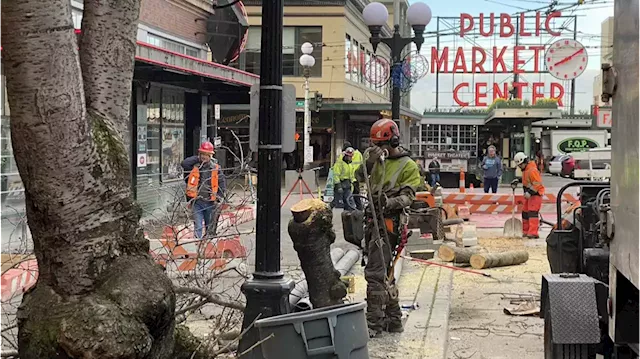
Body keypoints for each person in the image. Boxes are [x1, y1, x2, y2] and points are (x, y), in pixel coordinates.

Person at [354, 119, 422, 337]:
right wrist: (369, 164)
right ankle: (394, 320)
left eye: (380, 144)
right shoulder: (376, 161)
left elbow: (409, 196)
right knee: (385, 273)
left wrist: (389, 203)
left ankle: (373, 324)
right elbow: (359, 177)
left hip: (389, 223)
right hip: (373, 220)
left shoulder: (408, 166)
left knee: (375, 273)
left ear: (393, 140)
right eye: (374, 145)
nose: (377, 149)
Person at [181, 141, 227, 239]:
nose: (204, 157)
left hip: (210, 203)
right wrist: (198, 158)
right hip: (197, 202)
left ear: (211, 156)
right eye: (202, 154)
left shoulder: (216, 168)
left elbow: (222, 184)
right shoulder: (195, 166)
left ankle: (206, 248)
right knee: (198, 226)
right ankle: (197, 246)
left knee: (209, 227)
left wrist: (219, 197)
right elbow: (184, 163)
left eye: (206, 155)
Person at [511, 152, 545, 239]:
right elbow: (527, 179)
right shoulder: (526, 170)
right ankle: (526, 231)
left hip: (535, 195)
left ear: (524, 162)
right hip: (529, 194)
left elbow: (537, 184)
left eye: (520, 165)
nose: (519, 167)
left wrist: (530, 192)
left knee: (532, 213)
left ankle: (533, 232)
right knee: (525, 213)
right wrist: (518, 180)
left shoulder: (532, 170)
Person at [342, 141, 364, 210]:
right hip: (356, 178)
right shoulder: (359, 153)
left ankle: (351, 211)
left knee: (348, 196)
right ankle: (359, 209)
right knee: (356, 195)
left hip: (350, 178)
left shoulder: (346, 154)